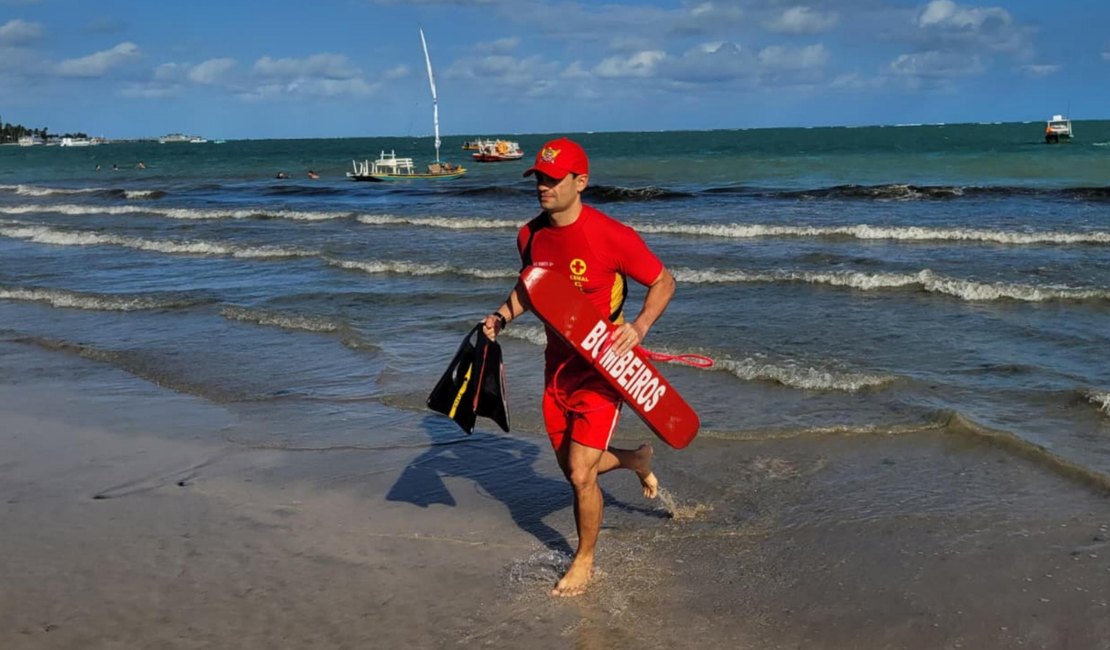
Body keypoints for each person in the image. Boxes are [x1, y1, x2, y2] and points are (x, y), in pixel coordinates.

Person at [482, 137, 675, 597]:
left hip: (604, 367)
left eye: (553, 179)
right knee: (572, 464)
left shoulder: (612, 235)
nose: (543, 186)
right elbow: (532, 288)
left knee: (580, 473)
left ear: (580, 182)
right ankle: (635, 459)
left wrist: (640, 327)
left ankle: (584, 560)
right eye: (539, 178)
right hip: (558, 366)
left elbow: (664, 280)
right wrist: (501, 316)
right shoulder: (529, 235)